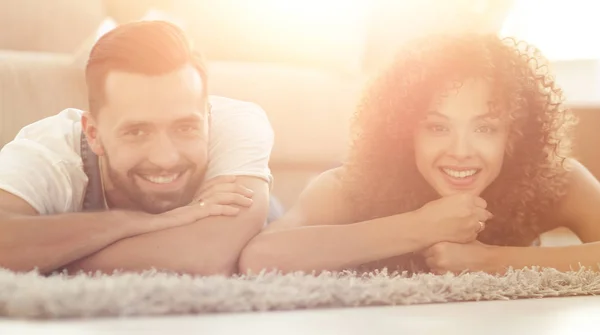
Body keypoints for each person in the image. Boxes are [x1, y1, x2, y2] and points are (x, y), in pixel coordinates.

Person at [239, 33, 600, 275]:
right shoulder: (354, 183)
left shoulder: (552, 179)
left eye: (486, 128)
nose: (461, 152)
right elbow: (259, 258)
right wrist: (419, 227)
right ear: (403, 130)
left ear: (515, 133)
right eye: (437, 127)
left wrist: (489, 260)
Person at [0, 20, 278, 276]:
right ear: (94, 133)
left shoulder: (238, 122)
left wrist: (47, 259)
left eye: (185, 128)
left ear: (208, 117)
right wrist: (134, 221)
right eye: (137, 132)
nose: (166, 158)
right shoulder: (50, 153)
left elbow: (203, 259)